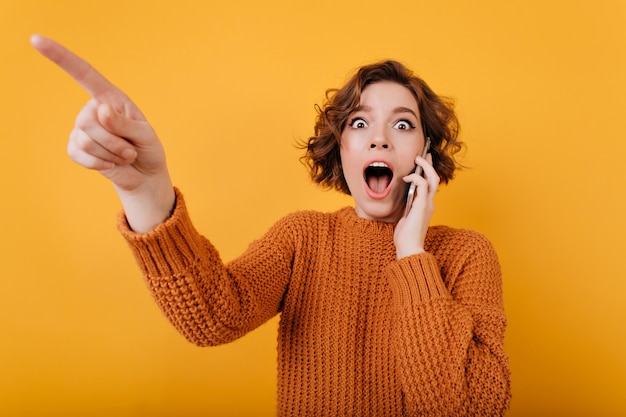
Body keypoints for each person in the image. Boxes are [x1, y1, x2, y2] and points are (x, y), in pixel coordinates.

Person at [31, 34, 511, 416]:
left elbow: (470, 409)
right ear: (340, 148)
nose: (380, 140)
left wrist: (412, 255)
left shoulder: (467, 255)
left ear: (425, 154)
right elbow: (211, 317)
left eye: (403, 125)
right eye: (360, 125)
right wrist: (144, 189)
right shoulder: (303, 239)